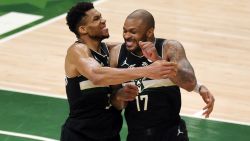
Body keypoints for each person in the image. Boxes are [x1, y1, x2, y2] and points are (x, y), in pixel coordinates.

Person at [60, 3, 178, 141]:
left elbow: (144, 44)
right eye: (96, 19)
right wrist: (148, 71)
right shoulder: (77, 51)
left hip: (110, 134)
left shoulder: (111, 50)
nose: (103, 20)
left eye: (101, 17)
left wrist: (119, 96)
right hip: (81, 135)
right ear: (83, 29)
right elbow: (97, 75)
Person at [110, 9, 215, 141]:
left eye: (133, 32)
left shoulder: (169, 47)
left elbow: (189, 83)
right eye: (124, 30)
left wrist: (158, 60)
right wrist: (120, 96)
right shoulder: (116, 54)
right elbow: (116, 103)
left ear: (149, 32)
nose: (126, 35)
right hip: (137, 135)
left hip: (171, 133)